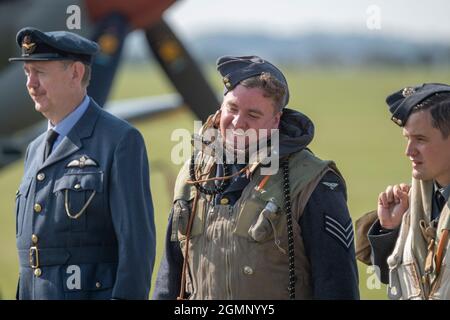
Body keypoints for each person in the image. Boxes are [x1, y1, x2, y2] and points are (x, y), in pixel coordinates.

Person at [153, 55, 359, 300]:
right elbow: (169, 278)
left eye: (253, 114)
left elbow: (337, 287)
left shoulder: (312, 182)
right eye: (232, 109)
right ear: (221, 108)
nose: (239, 122)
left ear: (275, 121)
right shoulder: (192, 175)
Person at [10, 27, 156, 300]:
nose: (31, 84)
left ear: (75, 73)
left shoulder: (120, 140)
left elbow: (136, 246)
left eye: (40, 72)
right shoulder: (34, 149)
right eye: (27, 72)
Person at [365, 83, 450, 299]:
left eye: (420, 139)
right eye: (407, 139)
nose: (408, 151)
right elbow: (391, 278)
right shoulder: (417, 202)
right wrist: (391, 229)